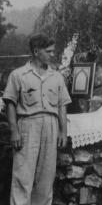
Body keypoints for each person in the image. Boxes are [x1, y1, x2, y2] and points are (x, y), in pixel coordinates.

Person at [3, 34, 71, 205]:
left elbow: (62, 106)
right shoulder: (18, 75)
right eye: (48, 51)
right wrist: (14, 132)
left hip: (51, 127)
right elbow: (10, 104)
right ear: (36, 52)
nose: (52, 54)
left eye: (53, 51)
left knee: (45, 179)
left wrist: (63, 131)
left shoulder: (56, 77)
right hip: (27, 126)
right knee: (23, 177)